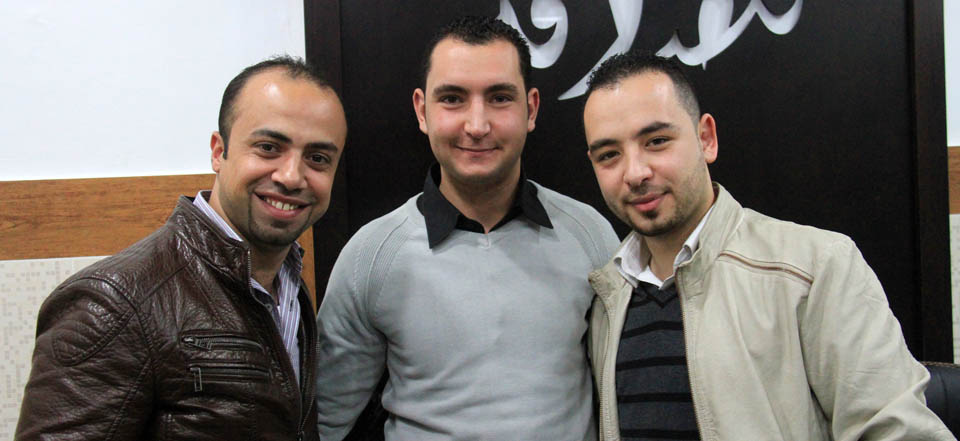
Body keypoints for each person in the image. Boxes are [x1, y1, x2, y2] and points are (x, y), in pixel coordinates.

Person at [581, 51, 953, 440]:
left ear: (706, 139)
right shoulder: (606, 299)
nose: (635, 173)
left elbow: (899, 431)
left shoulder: (814, 269)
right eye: (609, 155)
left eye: (657, 141)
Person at [315, 16, 620, 441]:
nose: (477, 126)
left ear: (531, 109)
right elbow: (325, 423)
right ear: (422, 110)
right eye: (453, 99)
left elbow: (626, 395)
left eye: (499, 98)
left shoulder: (591, 236)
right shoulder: (371, 256)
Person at [15, 56, 347, 441]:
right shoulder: (115, 302)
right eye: (269, 147)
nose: (291, 176)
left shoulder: (287, 284)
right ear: (219, 151)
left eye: (318, 159)